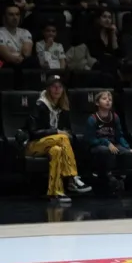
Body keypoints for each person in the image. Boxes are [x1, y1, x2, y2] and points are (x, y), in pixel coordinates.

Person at [25, 75, 91, 203]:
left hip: (54, 144)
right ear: (48, 89)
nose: (57, 89)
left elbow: (68, 131)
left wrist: (66, 134)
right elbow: (33, 133)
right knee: (61, 138)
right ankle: (72, 177)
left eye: (60, 87)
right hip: (34, 146)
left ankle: (55, 192)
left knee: (57, 150)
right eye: (54, 86)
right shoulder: (40, 105)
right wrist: (56, 132)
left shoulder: (63, 108)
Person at [86, 90, 132, 194]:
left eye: (110, 99)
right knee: (106, 151)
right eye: (104, 99)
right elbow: (90, 139)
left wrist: (128, 148)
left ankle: (120, 178)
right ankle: (107, 176)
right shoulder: (92, 119)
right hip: (98, 145)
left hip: (114, 144)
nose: (108, 101)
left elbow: (119, 136)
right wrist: (106, 143)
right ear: (97, 103)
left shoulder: (115, 117)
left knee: (130, 154)